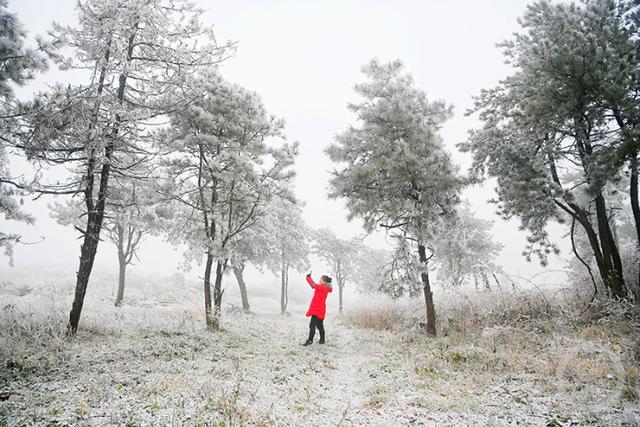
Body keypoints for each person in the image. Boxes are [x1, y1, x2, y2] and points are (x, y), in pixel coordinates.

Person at [303, 272, 333, 346]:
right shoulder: (326, 288)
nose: (319, 280)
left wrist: (308, 277)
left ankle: (310, 340)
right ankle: (322, 340)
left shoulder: (322, 287)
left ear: (324, 282)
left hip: (317, 309)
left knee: (312, 325)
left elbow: (313, 285)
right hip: (321, 309)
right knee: (320, 326)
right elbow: (315, 285)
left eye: (321, 279)